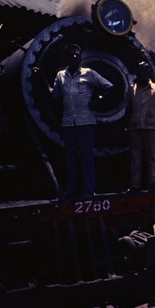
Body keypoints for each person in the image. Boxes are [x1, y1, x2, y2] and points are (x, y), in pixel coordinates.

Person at [51, 44, 113, 200]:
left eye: (77, 55)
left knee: (86, 157)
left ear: (80, 57)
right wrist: (41, 79)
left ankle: (88, 189)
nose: (74, 57)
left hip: (86, 121)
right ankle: (71, 189)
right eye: (71, 55)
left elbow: (108, 87)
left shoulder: (89, 73)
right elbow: (54, 95)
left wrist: (97, 101)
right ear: (66, 57)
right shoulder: (60, 76)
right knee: (70, 158)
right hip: (68, 123)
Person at [125, 61, 155, 193]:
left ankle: (153, 183)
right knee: (135, 157)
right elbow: (128, 109)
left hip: (151, 127)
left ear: (149, 72)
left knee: (151, 157)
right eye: (140, 71)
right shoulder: (131, 90)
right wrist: (126, 126)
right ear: (137, 73)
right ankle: (135, 185)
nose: (142, 74)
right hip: (135, 127)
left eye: (145, 71)